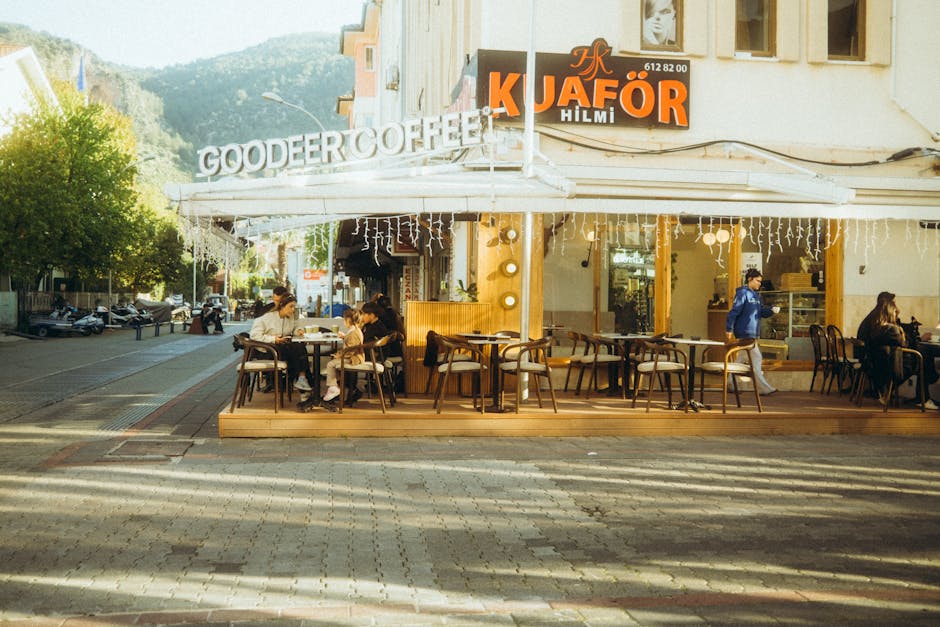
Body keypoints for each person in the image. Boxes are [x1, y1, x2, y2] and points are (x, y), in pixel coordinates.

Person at [726, 268, 780, 395]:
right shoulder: (742, 293)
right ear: (749, 279)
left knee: (741, 359)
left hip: (752, 333)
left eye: (760, 281)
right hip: (745, 333)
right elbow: (734, 312)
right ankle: (764, 389)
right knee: (756, 359)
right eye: (757, 281)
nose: (759, 284)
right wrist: (729, 329)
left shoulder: (756, 295)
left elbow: (760, 312)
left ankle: (730, 383)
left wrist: (772, 310)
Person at [249, 294, 316, 394]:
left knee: (299, 348)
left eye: (294, 307)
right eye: (291, 306)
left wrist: (298, 331)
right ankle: (306, 381)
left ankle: (303, 380)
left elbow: (293, 328)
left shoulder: (290, 317)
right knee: (298, 350)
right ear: (282, 306)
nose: (293, 309)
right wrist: (273, 339)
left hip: (281, 349)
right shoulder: (267, 318)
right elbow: (254, 336)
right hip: (267, 351)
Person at [322, 308, 364, 402]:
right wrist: (345, 337)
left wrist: (340, 355)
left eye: (344, 320)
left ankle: (333, 387)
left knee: (331, 364)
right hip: (354, 357)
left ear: (348, 320)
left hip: (353, 358)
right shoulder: (355, 330)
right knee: (334, 364)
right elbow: (353, 344)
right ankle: (337, 388)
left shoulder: (353, 333)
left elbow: (351, 350)